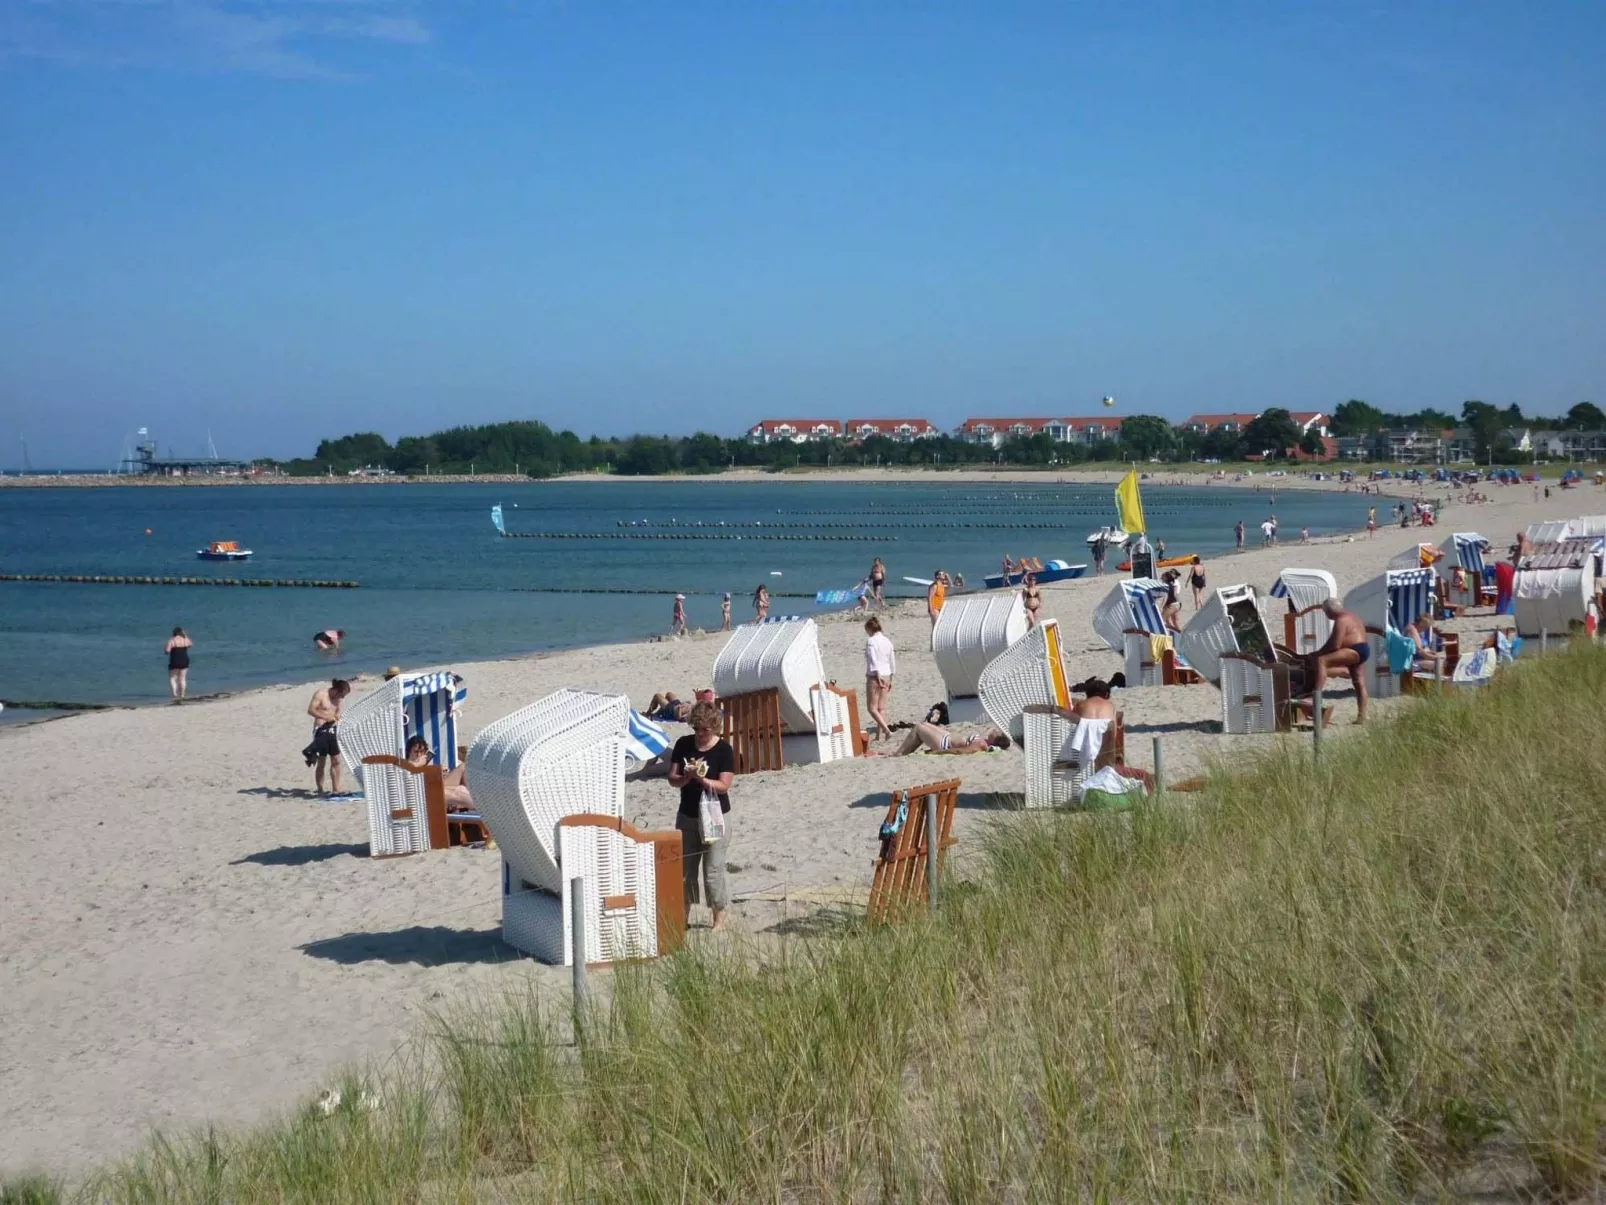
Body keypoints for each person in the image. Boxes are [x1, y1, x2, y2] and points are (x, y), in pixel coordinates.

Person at [667, 702, 736, 932]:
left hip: (715, 814)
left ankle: (718, 920)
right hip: (687, 814)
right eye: (697, 728)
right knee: (685, 870)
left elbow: (724, 785)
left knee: (713, 869)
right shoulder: (684, 744)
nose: (700, 733)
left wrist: (702, 779)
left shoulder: (724, 750)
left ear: (714, 727)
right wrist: (687, 778)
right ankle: (683, 917)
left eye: (704, 729)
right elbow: (672, 779)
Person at [1305, 600, 1370, 724]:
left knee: (1321, 661)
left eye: (1325, 613)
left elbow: (1335, 645)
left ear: (1329, 612)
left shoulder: (1341, 620)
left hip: (1353, 650)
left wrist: (1318, 654)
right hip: (1364, 649)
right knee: (1359, 683)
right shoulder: (1353, 616)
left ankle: (1315, 696)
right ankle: (1363, 716)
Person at [304, 678, 351, 793]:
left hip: (333, 729)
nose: (342, 698)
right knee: (322, 760)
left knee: (336, 760)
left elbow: (336, 712)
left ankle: (336, 789)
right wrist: (325, 717)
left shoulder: (338, 699)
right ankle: (320, 789)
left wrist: (338, 718)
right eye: (342, 694)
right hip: (321, 729)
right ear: (336, 690)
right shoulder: (321, 694)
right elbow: (310, 710)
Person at [404, 735, 475, 812]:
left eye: (422, 752)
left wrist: (440, 772)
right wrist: (417, 764)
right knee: (461, 792)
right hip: (424, 794)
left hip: (435, 786)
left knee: (463, 767)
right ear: (408, 751)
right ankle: (481, 809)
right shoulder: (404, 764)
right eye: (416, 752)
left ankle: (476, 802)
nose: (419, 755)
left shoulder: (420, 764)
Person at [888, 722, 1011, 756]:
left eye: (997, 733)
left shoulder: (981, 744)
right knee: (923, 724)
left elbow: (961, 751)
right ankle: (904, 751)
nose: (995, 730)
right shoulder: (983, 740)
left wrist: (938, 752)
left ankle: (899, 753)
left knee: (919, 728)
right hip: (946, 736)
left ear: (996, 740)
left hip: (943, 743)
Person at [863, 616, 896, 741]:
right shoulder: (888, 641)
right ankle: (879, 735)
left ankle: (886, 731)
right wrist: (891, 677)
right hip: (887, 674)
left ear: (870, 629)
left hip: (875, 675)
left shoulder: (871, 641)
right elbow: (892, 661)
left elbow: (872, 658)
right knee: (881, 708)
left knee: (872, 708)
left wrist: (877, 674)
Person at [1404, 612, 1446, 677]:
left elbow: (1423, 648)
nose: (1426, 628)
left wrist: (1431, 653)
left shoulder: (1418, 630)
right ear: (1421, 623)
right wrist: (1434, 657)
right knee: (1438, 663)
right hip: (1411, 662)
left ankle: (1438, 683)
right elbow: (1419, 651)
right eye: (1426, 626)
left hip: (1417, 659)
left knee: (1441, 661)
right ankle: (1439, 685)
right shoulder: (1412, 631)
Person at [164, 626, 192, 702]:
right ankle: (182, 694)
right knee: (183, 678)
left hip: (175, 660)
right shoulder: (185, 639)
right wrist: (185, 635)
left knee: (173, 678)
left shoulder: (172, 640)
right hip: (184, 660)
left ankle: (174, 694)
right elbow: (190, 645)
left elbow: (167, 651)